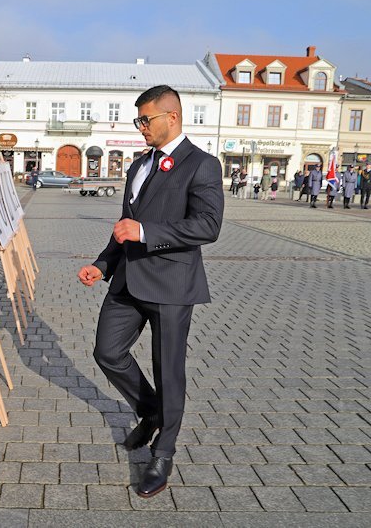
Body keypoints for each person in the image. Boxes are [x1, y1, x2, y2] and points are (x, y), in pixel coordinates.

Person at [77, 85, 224, 499]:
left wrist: (146, 232)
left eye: (146, 119)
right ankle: (151, 410)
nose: (140, 127)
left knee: (168, 370)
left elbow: (208, 226)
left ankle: (163, 453)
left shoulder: (203, 165)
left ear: (171, 117)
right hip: (127, 279)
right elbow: (125, 224)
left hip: (172, 285)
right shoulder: (138, 165)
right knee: (107, 352)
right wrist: (102, 263)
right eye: (138, 120)